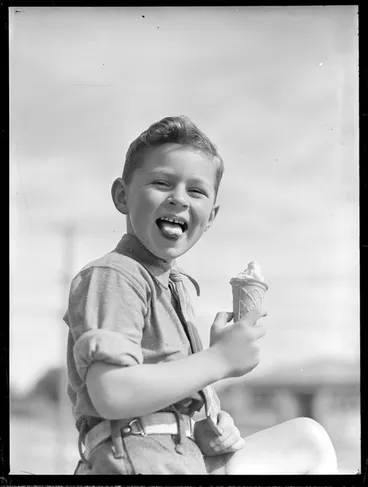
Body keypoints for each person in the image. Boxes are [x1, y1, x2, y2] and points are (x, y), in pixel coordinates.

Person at [64, 115, 338, 475]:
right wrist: (219, 360)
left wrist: (205, 420)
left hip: (174, 456)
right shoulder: (116, 274)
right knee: (308, 443)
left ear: (210, 217)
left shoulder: (171, 287)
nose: (178, 198)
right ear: (122, 196)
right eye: (162, 182)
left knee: (308, 439)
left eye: (196, 191)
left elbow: (165, 394)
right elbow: (112, 392)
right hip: (137, 461)